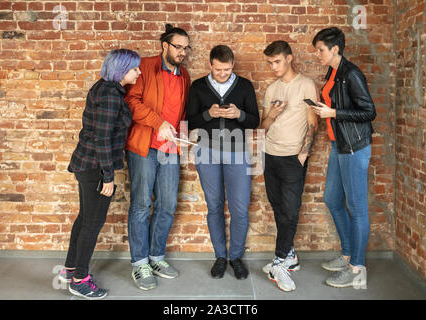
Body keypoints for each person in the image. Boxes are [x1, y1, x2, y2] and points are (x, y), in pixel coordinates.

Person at [58, 49, 141, 299]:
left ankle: (70, 270)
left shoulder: (106, 88)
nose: (138, 72)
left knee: (85, 219)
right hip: (95, 167)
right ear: (121, 70)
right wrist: (108, 176)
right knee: (92, 224)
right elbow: (102, 139)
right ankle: (79, 280)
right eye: (134, 68)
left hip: (87, 165)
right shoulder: (110, 95)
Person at [124, 24, 191, 291]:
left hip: (170, 150)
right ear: (164, 46)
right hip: (144, 146)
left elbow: (182, 113)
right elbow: (131, 101)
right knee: (141, 204)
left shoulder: (184, 75)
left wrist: (183, 140)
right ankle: (139, 263)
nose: (182, 52)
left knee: (167, 204)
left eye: (186, 48)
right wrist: (157, 122)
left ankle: (156, 257)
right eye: (178, 47)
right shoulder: (145, 67)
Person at [186, 45, 260, 280]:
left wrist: (239, 115)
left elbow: (254, 121)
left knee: (239, 208)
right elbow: (189, 120)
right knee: (214, 206)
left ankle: (236, 257)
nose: (223, 74)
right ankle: (220, 256)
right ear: (210, 65)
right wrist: (209, 114)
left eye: (227, 70)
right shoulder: (198, 86)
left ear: (233, 65)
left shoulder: (245, 86)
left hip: (237, 152)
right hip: (206, 152)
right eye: (218, 70)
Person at [311, 27, 376, 289]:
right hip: (339, 144)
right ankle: (348, 253)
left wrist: (334, 113)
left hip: (354, 147)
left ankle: (356, 268)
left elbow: (368, 112)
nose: (317, 54)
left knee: (358, 208)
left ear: (335, 49)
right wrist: (324, 111)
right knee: (332, 198)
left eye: (320, 50)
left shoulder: (352, 73)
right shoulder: (334, 72)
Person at [259, 41, 318, 292]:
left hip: (293, 157)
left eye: (277, 61)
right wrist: (272, 114)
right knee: (279, 207)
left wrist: (304, 154)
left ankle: (279, 262)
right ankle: (290, 255)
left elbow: (313, 123)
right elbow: (262, 128)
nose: (273, 67)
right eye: (270, 63)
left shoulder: (306, 85)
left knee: (291, 210)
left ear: (290, 59)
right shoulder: (271, 89)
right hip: (269, 155)